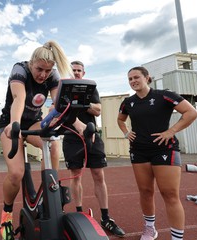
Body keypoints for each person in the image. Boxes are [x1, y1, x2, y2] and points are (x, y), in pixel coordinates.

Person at [0, 40, 87, 240]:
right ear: (31, 63)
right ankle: (6, 215)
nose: (43, 75)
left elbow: (59, 104)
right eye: (39, 69)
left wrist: (78, 123)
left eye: (47, 71)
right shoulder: (20, 70)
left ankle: (49, 199)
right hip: (11, 123)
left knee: (53, 144)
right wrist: (14, 124)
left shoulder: (52, 75)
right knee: (16, 174)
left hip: (33, 123)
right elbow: (18, 99)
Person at [117, 66, 197, 240]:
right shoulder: (128, 102)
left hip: (165, 150)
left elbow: (191, 112)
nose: (133, 81)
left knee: (170, 194)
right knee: (145, 191)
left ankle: (177, 238)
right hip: (138, 151)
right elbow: (120, 119)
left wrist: (171, 131)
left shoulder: (164, 96)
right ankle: (149, 228)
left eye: (136, 77)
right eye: (130, 79)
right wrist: (125, 132)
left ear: (147, 78)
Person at [62, 61, 125, 237]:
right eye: (73, 70)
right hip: (71, 138)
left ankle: (106, 217)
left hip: (92, 136)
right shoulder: (63, 89)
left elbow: (97, 110)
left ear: (83, 72)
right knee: (76, 176)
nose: (75, 73)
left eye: (78, 71)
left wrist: (80, 103)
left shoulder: (90, 88)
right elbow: (58, 109)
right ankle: (80, 213)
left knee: (99, 175)